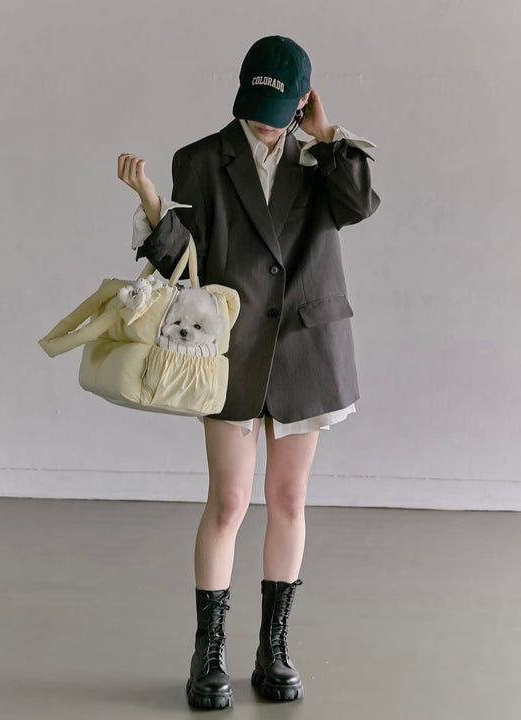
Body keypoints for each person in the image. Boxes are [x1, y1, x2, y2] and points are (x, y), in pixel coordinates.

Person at [118, 35, 380, 710]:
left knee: (288, 499)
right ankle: (208, 654)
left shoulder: (321, 160)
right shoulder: (202, 159)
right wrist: (152, 204)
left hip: (305, 347)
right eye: (257, 108)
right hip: (228, 351)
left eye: (280, 110)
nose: (266, 123)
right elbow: (186, 264)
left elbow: (358, 205)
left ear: (302, 103)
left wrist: (329, 136)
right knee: (230, 502)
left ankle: (274, 651)